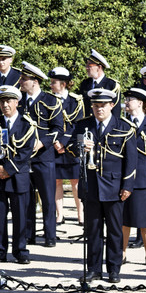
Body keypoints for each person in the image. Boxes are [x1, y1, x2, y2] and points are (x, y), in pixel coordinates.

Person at [66, 88, 136, 283]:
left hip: (114, 187)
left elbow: (131, 161)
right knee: (93, 230)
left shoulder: (124, 127)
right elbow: (70, 149)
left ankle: (114, 269)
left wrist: (127, 185)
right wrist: (80, 146)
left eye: (103, 105)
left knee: (114, 230)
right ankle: (94, 268)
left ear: (112, 105)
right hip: (91, 186)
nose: (99, 109)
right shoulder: (83, 125)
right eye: (96, 106)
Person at [20, 62, 64, 248]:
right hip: (22, 157)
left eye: (24, 79)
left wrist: (43, 142)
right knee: (26, 198)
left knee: (47, 197)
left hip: (43, 156)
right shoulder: (19, 100)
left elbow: (58, 128)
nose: (21, 82)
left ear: (35, 81)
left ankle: (50, 235)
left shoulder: (50, 100)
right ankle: (28, 234)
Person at [120, 87, 146, 268]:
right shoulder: (120, 124)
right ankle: (122, 252)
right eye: (126, 98)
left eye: (130, 99)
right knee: (122, 218)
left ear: (140, 103)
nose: (126, 102)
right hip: (123, 177)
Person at [0, 85, 35, 264]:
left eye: (8, 101)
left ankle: (20, 250)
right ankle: (0, 250)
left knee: (20, 216)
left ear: (16, 102)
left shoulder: (26, 124)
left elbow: (25, 152)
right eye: (2, 101)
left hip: (17, 177)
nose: (5, 105)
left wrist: (7, 169)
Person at [50, 67, 85, 226]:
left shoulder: (75, 101)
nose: (51, 85)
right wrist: (55, 142)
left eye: (54, 82)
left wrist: (63, 142)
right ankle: (60, 215)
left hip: (70, 147)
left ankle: (80, 214)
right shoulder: (48, 100)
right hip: (53, 145)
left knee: (75, 181)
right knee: (56, 181)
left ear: (63, 84)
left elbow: (77, 124)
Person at [78, 50, 121, 117]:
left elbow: (116, 111)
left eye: (89, 65)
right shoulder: (85, 83)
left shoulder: (112, 85)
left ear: (99, 67)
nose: (86, 68)